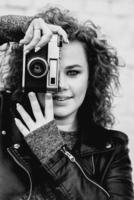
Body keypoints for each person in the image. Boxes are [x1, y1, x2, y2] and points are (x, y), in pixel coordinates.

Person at [0, 6, 133, 200]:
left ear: (92, 77)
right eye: (49, 70)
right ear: (26, 69)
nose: (59, 85)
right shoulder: (3, 115)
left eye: (73, 72)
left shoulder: (111, 148)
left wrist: (51, 150)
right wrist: (20, 27)